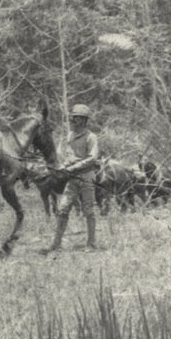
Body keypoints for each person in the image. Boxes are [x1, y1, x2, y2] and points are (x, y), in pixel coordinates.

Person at [46, 104, 104, 253]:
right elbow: (67, 155)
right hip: (72, 178)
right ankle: (56, 244)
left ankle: (91, 244)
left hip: (86, 177)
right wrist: (63, 165)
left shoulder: (91, 137)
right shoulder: (70, 136)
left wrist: (72, 167)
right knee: (63, 208)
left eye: (77, 118)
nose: (73, 120)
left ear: (84, 120)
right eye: (73, 117)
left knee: (88, 211)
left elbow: (92, 158)